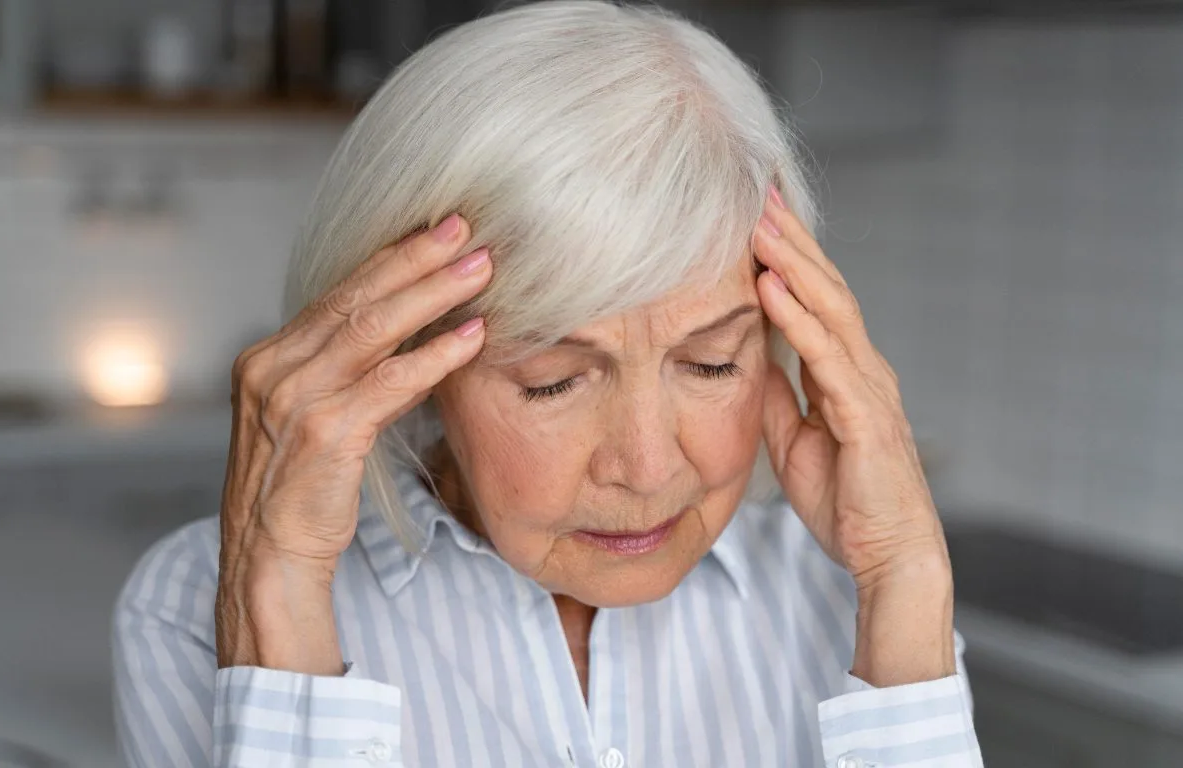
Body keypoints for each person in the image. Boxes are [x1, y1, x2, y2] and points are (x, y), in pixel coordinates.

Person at [112, 2, 983, 766]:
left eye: (713, 362)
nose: (646, 469)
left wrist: (907, 574)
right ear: (411, 361)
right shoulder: (196, 607)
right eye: (554, 382)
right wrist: (280, 606)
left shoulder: (848, 597)